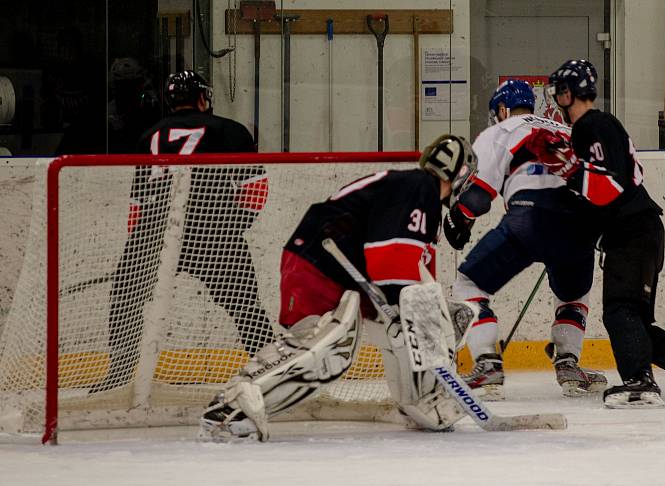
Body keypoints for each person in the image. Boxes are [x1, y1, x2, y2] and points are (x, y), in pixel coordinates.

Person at [200, 134, 480, 441]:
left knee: (417, 320)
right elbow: (390, 260)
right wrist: (410, 314)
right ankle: (233, 407)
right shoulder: (419, 189)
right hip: (322, 265)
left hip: (338, 270)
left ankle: (422, 401)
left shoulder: (419, 198)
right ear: (462, 176)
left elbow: (416, 281)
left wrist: (425, 320)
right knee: (330, 347)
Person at [538, 59, 665, 408]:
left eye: (558, 92)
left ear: (569, 93)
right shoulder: (597, 128)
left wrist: (571, 171)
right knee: (638, 322)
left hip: (631, 232)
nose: (555, 99)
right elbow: (601, 194)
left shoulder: (591, 126)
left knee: (620, 311)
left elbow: (610, 186)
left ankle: (639, 383)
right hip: (641, 229)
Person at [92, 70, 271, 393]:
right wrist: (233, 228)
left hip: (155, 233)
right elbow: (255, 188)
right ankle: (272, 368)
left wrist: (141, 247)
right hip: (214, 233)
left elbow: (138, 204)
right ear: (203, 98)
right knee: (245, 304)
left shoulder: (149, 136)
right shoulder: (230, 131)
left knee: (125, 298)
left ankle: (118, 375)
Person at [443, 79, 607, 400]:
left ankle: (487, 363)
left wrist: (458, 219)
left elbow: (478, 196)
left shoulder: (500, 131)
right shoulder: (567, 130)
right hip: (579, 224)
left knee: (469, 285)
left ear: (501, 110)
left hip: (529, 218)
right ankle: (568, 362)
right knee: (574, 295)